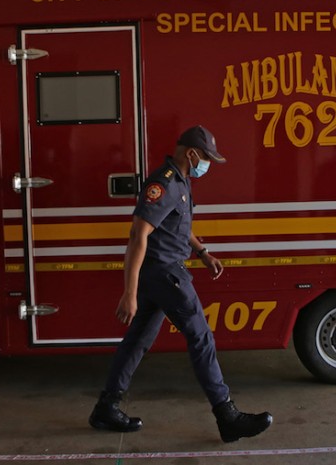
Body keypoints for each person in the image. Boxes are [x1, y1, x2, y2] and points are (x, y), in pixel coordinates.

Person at [89, 125, 272, 443]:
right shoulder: (164, 183)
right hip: (165, 273)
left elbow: (176, 223)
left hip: (163, 271)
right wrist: (129, 293)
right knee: (200, 336)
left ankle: (107, 406)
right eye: (206, 157)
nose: (208, 164)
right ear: (191, 153)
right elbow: (137, 235)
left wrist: (202, 252)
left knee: (138, 340)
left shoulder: (180, 182)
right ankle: (226, 415)